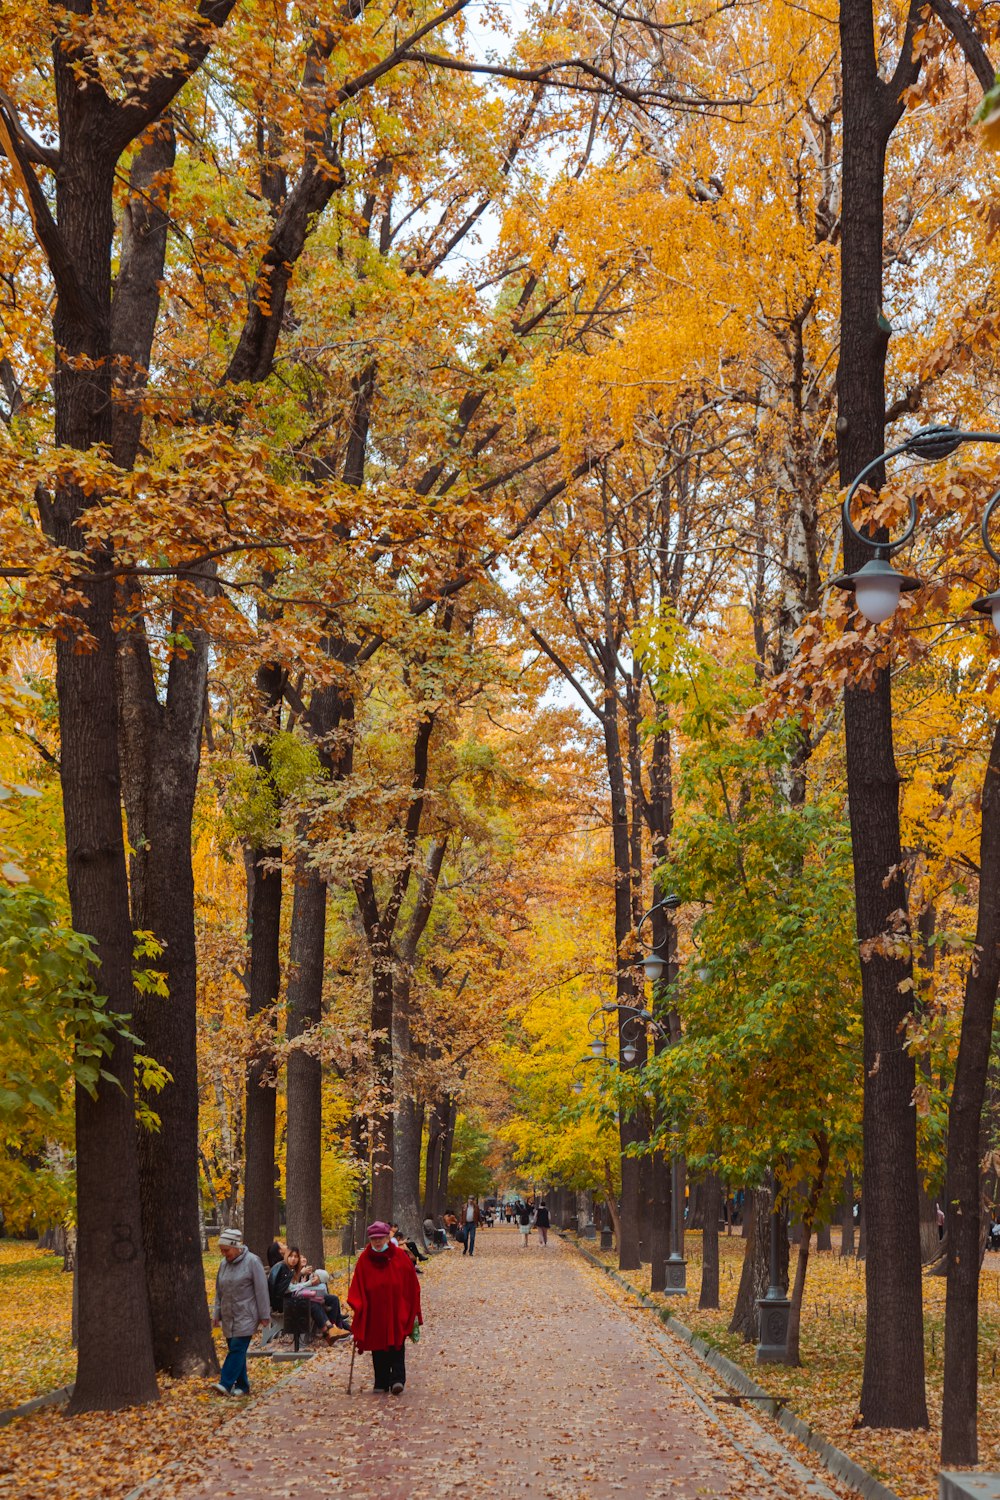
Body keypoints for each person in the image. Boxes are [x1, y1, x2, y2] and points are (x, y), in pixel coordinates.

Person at [348, 1221, 422, 1395]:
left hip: (397, 1309)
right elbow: (357, 1285)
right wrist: (358, 1304)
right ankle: (381, 1381)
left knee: (397, 1343)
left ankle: (397, 1379)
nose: (377, 1242)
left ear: (388, 1237)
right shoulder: (365, 1259)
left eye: (381, 1238)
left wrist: (412, 1308)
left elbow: (412, 1284)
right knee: (378, 1346)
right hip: (375, 1311)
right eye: (374, 1239)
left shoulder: (400, 1256)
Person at [211, 1228, 270, 1397]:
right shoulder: (224, 1264)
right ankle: (243, 1386)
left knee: (237, 1348)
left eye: (226, 1250)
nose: (224, 1254)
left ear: (236, 1246)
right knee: (237, 1351)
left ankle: (225, 1383)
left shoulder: (252, 1261)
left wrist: (264, 1315)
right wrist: (217, 1314)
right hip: (229, 1315)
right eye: (221, 1250)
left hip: (247, 1314)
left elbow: (261, 1290)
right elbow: (219, 1291)